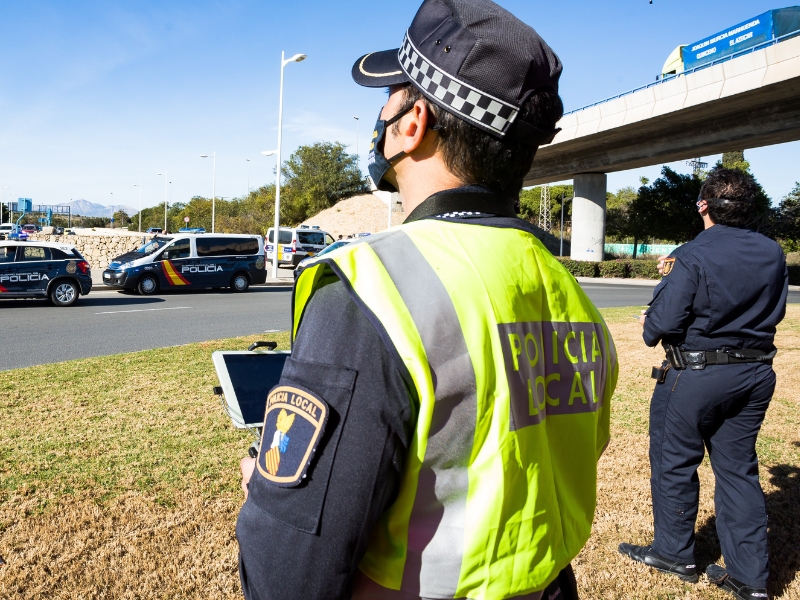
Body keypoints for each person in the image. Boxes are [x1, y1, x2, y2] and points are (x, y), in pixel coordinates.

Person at [236, 1, 618, 598]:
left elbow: (291, 571)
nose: (379, 114)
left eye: (389, 94)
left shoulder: (374, 286)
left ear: (412, 123)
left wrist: (272, 498)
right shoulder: (571, 293)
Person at [619, 167, 788, 600]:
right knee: (738, 469)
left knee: (674, 461)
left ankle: (675, 553)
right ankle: (750, 579)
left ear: (703, 205)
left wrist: (652, 314)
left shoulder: (693, 254)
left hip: (696, 374)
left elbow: (661, 325)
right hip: (754, 373)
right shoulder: (771, 252)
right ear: (750, 207)